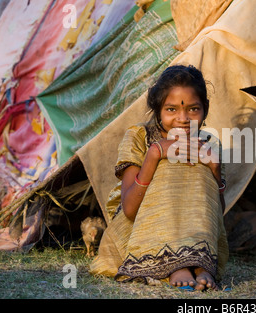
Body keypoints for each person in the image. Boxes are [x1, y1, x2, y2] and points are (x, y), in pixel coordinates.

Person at [90, 65, 229, 291]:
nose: (183, 119)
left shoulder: (210, 144)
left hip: (198, 235)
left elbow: (216, 215)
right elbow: (130, 210)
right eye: (171, 109)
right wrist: (154, 154)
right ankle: (172, 265)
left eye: (193, 109)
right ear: (157, 110)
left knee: (201, 168)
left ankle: (198, 265)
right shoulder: (139, 137)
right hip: (139, 231)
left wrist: (214, 169)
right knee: (167, 167)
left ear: (206, 108)